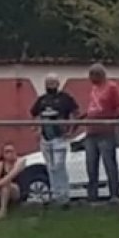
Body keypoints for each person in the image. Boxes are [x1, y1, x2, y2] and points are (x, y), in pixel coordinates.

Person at [29, 72, 79, 207]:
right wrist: (36, 129)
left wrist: (71, 129)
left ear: (58, 84)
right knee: (50, 167)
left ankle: (64, 196)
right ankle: (55, 194)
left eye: (52, 82)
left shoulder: (65, 98)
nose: (50, 85)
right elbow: (33, 114)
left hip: (60, 138)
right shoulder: (42, 100)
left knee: (59, 166)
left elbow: (76, 113)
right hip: (45, 138)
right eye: (48, 82)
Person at [82, 63, 119, 203]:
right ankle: (92, 195)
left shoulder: (112, 87)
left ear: (99, 75)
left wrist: (111, 120)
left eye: (92, 76)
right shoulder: (93, 89)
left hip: (105, 132)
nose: (90, 79)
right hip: (91, 132)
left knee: (109, 163)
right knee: (91, 164)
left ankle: (114, 194)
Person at [0, 142, 23, 221]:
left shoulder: (20, 161)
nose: (9, 154)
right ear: (3, 154)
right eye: (7, 151)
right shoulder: (1, 163)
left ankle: (3, 211)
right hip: (4, 191)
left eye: (11, 151)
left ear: (15, 151)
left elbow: (10, 177)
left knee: (5, 184)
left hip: (18, 191)